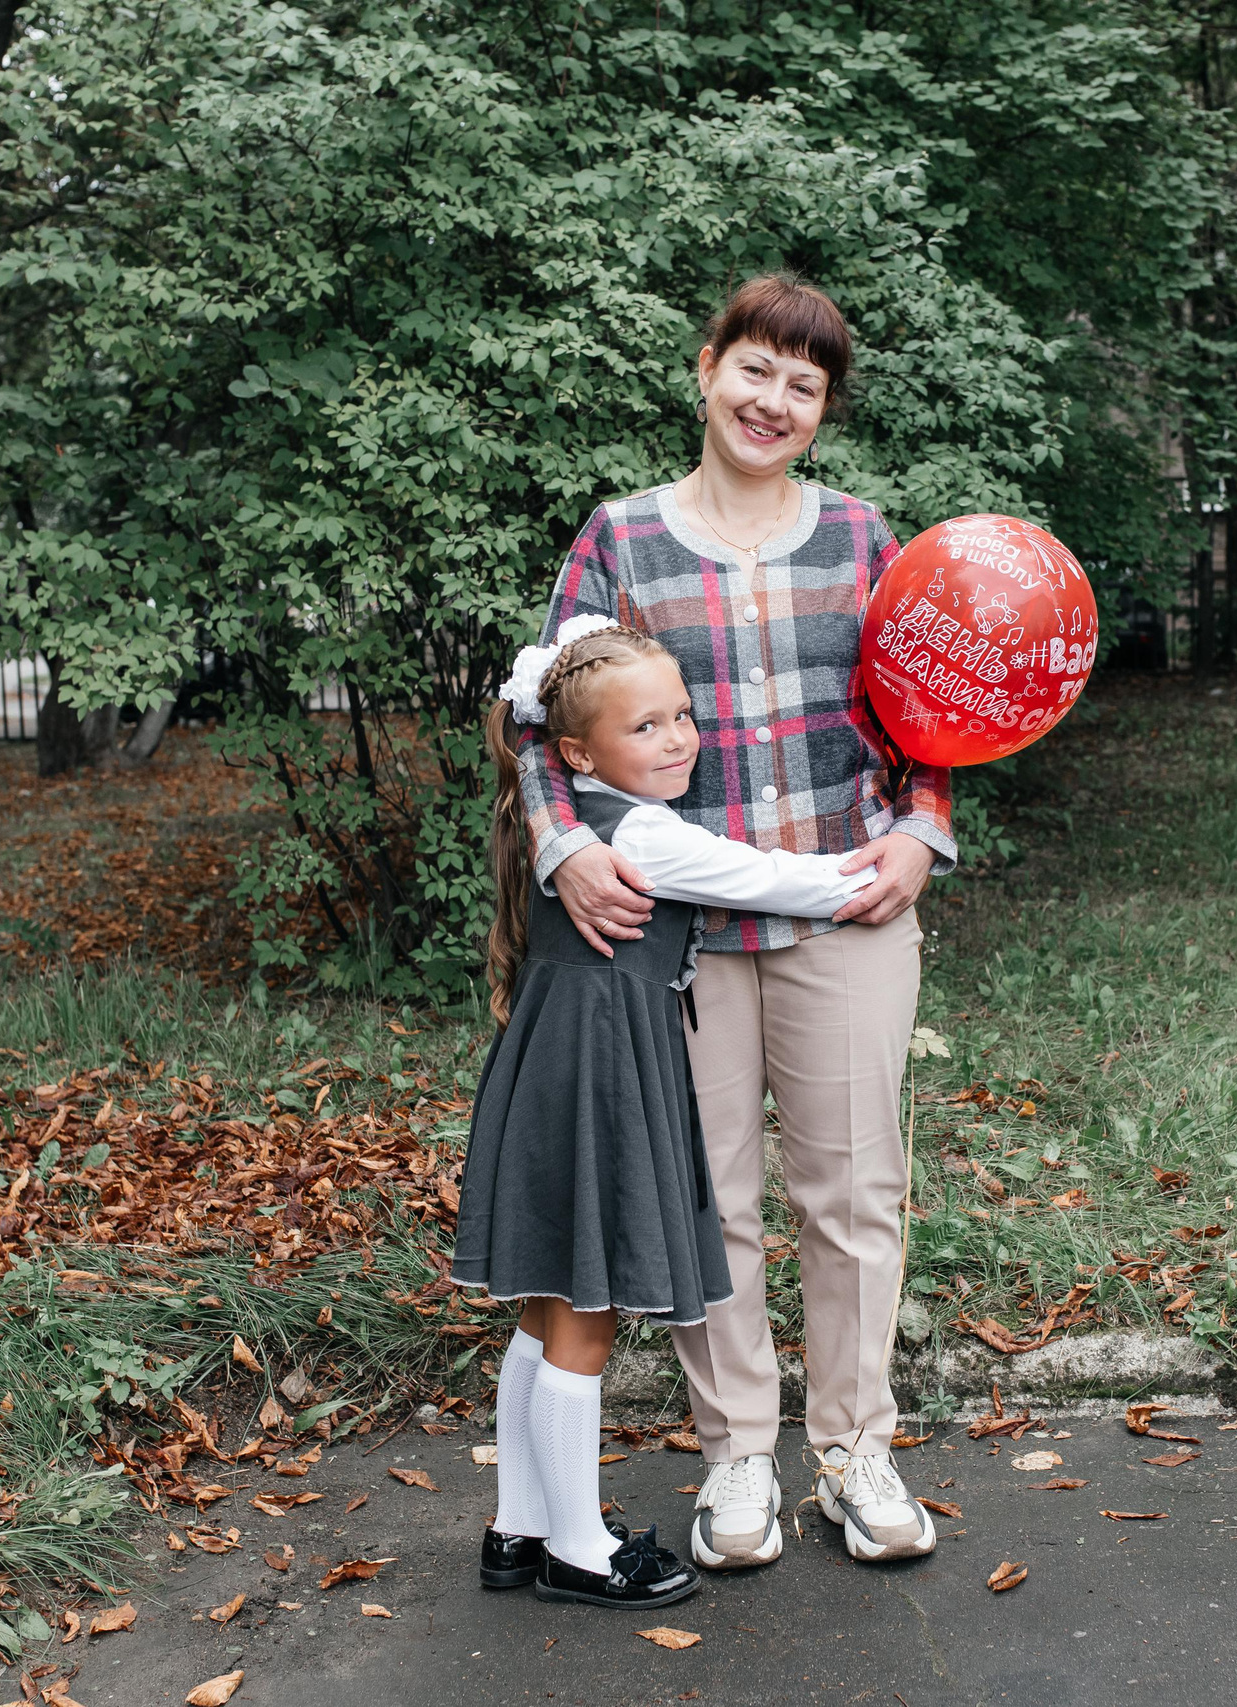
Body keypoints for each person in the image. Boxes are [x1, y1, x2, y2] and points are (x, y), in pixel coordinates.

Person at [517, 274, 954, 1573]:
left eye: (804, 385)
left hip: (846, 912)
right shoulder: (620, 541)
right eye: (755, 369)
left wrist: (919, 834)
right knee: (710, 1196)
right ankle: (737, 1455)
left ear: (823, 412)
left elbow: (935, 714)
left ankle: (857, 1451)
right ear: (708, 369)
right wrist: (568, 846)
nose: (773, 400)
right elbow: (543, 720)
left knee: (854, 1191)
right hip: (678, 936)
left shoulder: (868, 539)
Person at [456, 617, 880, 1611]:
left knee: (543, 1310)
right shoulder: (641, 834)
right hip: (601, 1081)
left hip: (551, 1072)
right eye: (646, 726)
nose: (679, 738)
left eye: (682, 716)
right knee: (586, 1324)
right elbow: (774, 878)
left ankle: (516, 1530)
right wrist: (874, 873)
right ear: (575, 755)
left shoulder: (576, 826)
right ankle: (576, 1550)